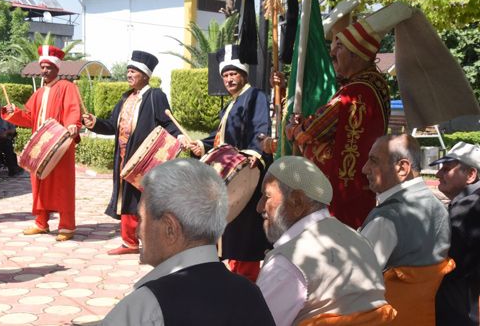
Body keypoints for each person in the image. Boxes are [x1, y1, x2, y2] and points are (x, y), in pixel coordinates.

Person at [278, 2, 417, 230]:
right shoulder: (377, 84)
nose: (332, 53)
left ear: (357, 55)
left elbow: (310, 132)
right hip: (360, 187)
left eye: (339, 49)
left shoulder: (354, 91)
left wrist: (293, 130)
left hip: (339, 194)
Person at [102, 158, 276, 326]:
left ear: (170, 228)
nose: (136, 230)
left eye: (140, 218)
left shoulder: (143, 309)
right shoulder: (251, 294)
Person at [257, 156, 396, 325]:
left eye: (266, 196)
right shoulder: (360, 241)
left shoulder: (286, 263)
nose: (259, 207)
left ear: (297, 201)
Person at [82, 50, 182, 255]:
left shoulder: (155, 96)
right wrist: (95, 124)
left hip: (146, 159)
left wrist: (180, 138)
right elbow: (112, 126)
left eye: (133, 71)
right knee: (126, 197)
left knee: (149, 199)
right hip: (123, 157)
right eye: (128, 70)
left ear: (145, 75)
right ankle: (129, 242)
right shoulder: (125, 98)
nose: (129, 74)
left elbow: (167, 123)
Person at [186, 44, 270, 282]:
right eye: (225, 75)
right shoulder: (231, 103)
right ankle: (233, 276)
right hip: (229, 173)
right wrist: (201, 146)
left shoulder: (255, 96)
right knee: (231, 230)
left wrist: (255, 152)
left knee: (244, 233)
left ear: (244, 74)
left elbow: (261, 129)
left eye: (233, 74)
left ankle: (246, 281)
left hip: (246, 172)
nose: (229, 79)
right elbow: (219, 137)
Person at [360, 134, 453, 325]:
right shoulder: (439, 207)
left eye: (373, 161)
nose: (364, 169)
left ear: (402, 168)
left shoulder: (386, 219)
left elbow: (354, 280)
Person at [2, 45, 81, 241]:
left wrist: (72, 124)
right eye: (42, 67)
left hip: (60, 144)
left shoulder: (67, 87)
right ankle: (41, 222)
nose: (45, 71)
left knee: (63, 184)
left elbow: (72, 110)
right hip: (40, 146)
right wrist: (14, 112)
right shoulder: (38, 93)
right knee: (39, 183)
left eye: (48, 67)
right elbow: (29, 118)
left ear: (57, 68)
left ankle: (67, 226)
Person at [430, 142, 480, 325]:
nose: (438, 174)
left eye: (447, 169)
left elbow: (445, 263)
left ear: (470, 175)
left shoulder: (467, 209)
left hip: (462, 310)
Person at [0, 103, 23, 177]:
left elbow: (13, 130)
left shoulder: (6, 116)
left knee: (7, 145)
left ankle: (12, 169)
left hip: (5, 138)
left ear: (0, 109)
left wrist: (6, 133)